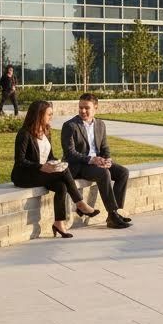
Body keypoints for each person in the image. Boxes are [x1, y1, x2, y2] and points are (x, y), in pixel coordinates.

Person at [12, 100, 101, 238]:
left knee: (61, 186)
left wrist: (55, 163)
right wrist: (41, 167)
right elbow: (20, 161)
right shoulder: (24, 134)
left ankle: (59, 223)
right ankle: (80, 203)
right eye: (49, 114)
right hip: (25, 175)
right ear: (39, 115)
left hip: (43, 172)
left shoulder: (46, 131)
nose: (51, 117)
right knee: (64, 172)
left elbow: (50, 155)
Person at [61, 93, 131, 229]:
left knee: (123, 172)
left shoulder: (100, 125)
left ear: (96, 108)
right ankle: (113, 214)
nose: (83, 111)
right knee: (104, 174)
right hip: (78, 165)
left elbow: (104, 147)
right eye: (80, 107)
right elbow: (70, 153)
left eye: (87, 108)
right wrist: (92, 160)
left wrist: (107, 160)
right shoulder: (70, 126)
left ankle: (117, 212)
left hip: (96, 163)